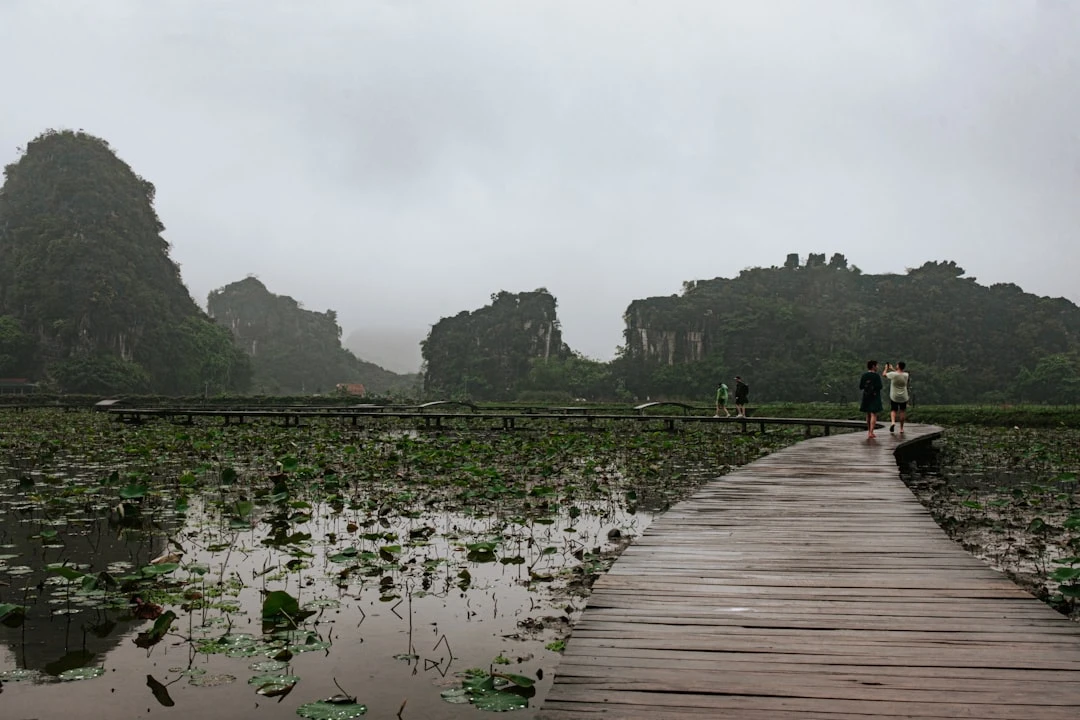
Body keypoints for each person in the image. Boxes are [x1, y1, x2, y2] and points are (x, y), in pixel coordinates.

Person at [883, 361, 910, 434]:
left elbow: (884, 375)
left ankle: (893, 422)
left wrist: (886, 368)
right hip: (903, 396)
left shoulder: (893, 374)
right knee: (902, 411)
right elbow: (899, 374)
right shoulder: (906, 375)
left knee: (893, 410)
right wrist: (892, 369)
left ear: (898, 366)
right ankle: (901, 429)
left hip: (894, 396)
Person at [858, 360, 883, 439]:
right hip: (875, 396)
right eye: (877, 365)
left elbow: (861, 386)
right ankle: (871, 432)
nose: (877, 367)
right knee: (873, 414)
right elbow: (880, 386)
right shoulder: (876, 376)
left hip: (866, 396)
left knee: (868, 414)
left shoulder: (864, 375)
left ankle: (869, 431)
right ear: (873, 366)